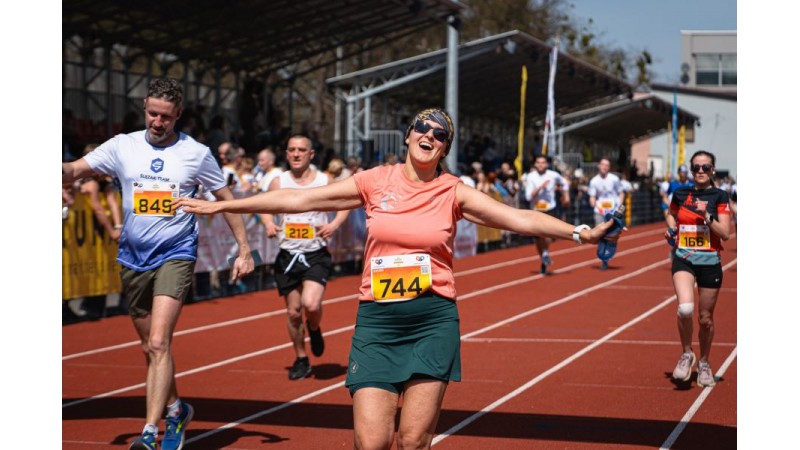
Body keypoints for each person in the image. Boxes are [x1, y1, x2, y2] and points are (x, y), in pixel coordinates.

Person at [175, 107, 620, 450]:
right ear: (408, 136)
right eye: (422, 129)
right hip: (378, 324)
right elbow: (297, 198)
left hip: (431, 321)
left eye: (439, 134)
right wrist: (222, 206)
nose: (429, 136)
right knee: (371, 442)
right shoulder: (374, 181)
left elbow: (520, 219)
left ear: (444, 148)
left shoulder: (454, 192)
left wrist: (581, 232)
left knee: (412, 441)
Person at [62, 77, 256, 450]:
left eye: (165, 117)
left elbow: (226, 198)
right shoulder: (123, 146)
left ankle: (151, 432)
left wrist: (244, 249)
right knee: (150, 349)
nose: (157, 122)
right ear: (145, 109)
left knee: (158, 340)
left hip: (176, 252)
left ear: (178, 115)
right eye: (152, 113)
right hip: (133, 256)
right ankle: (177, 408)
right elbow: (74, 170)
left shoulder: (196, 153)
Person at [259, 134, 351, 380]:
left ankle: (314, 326)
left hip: (315, 253)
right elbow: (264, 207)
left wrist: (335, 224)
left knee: (311, 304)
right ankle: (301, 357)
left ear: (311, 154)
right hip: (287, 253)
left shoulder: (324, 179)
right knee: (293, 311)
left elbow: (345, 202)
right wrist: (269, 223)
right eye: (291, 150)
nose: (296, 154)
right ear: (286, 154)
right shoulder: (279, 181)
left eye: (301, 150)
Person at [665, 150, 732, 388]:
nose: (701, 171)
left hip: (710, 262)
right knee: (684, 309)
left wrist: (706, 215)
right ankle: (686, 354)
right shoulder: (681, 193)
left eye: (706, 167)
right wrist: (672, 229)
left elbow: (726, 233)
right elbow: (671, 214)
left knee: (705, 319)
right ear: (691, 170)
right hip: (683, 258)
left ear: (713, 170)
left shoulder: (720, 195)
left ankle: (704, 361)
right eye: (696, 167)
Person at [523, 155, 571, 274]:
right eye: (538, 162)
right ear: (535, 164)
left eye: (543, 162)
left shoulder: (553, 175)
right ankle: (543, 255)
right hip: (536, 209)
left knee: (548, 235)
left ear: (547, 164)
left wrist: (566, 196)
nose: (541, 164)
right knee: (539, 237)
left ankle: (545, 252)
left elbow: (565, 183)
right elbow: (528, 196)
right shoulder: (530, 177)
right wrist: (539, 188)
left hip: (550, 208)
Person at [588, 158, 626, 270]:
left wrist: (620, 206)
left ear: (609, 168)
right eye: (603, 165)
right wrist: (592, 203)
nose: (604, 167)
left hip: (613, 211)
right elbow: (592, 196)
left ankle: (607, 255)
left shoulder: (614, 179)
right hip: (599, 210)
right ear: (599, 166)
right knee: (600, 234)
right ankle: (603, 257)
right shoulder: (594, 181)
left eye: (607, 165)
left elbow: (621, 193)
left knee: (610, 235)